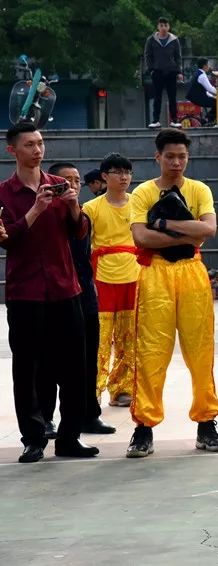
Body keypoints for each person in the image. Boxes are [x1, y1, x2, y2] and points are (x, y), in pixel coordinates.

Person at [0, 122, 100, 463]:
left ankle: (70, 437)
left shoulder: (59, 185)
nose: (37, 150)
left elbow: (78, 232)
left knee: (74, 366)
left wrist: (74, 206)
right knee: (27, 368)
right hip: (25, 291)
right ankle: (34, 437)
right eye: (29, 144)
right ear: (12, 150)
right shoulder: (4, 193)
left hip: (64, 288)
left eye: (40, 143)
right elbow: (6, 239)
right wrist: (35, 210)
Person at [125, 128, 218, 458]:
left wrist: (165, 225)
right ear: (158, 157)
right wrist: (187, 234)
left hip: (192, 273)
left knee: (201, 348)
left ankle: (207, 423)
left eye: (182, 156)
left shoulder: (199, 190)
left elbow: (208, 230)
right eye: (170, 156)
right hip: (155, 273)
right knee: (151, 351)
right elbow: (141, 238)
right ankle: (144, 427)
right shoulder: (142, 193)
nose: (176, 162)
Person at [38, 162, 116, 439]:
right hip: (52, 296)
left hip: (83, 294)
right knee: (47, 361)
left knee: (87, 359)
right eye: (66, 180)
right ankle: (45, 417)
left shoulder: (81, 216)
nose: (72, 185)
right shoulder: (44, 216)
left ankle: (88, 415)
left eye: (77, 180)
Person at [83, 153, 140, 408]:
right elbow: (83, 245)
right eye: (117, 172)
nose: (124, 177)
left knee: (130, 334)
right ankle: (94, 388)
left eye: (127, 172)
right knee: (101, 336)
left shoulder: (139, 204)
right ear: (104, 176)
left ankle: (122, 388)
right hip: (102, 276)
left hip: (135, 273)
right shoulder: (91, 208)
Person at [144, 16, 183, 129]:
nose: (163, 28)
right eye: (161, 25)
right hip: (157, 71)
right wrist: (151, 69)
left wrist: (179, 71)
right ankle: (156, 120)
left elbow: (178, 57)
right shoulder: (151, 40)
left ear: (169, 27)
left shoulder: (174, 40)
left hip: (171, 71)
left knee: (172, 96)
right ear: (158, 27)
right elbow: (147, 55)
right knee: (157, 97)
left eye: (166, 25)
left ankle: (174, 120)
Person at [186, 57, 217, 124]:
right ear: (205, 66)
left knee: (215, 100)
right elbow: (210, 89)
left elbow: (205, 91)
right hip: (198, 98)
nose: (209, 66)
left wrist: (213, 96)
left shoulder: (198, 73)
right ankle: (207, 119)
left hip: (196, 97)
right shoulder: (202, 75)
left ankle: (208, 119)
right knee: (217, 103)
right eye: (208, 65)